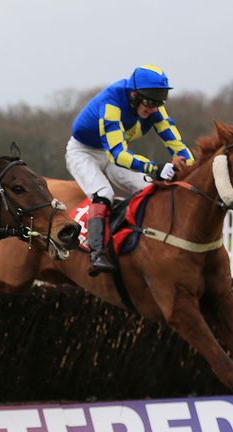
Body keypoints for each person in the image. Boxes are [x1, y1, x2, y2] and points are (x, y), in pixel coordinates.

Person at [65, 65, 195, 276]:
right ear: (134, 95)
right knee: (103, 193)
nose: (153, 109)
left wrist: (192, 167)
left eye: (159, 103)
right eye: (150, 103)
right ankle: (97, 253)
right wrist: (154, 168)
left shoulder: (153, 107)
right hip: (84, 152)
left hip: (110, 151)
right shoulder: (112, 103)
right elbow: (118, 154)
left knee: (149, 188)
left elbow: (175, 142)